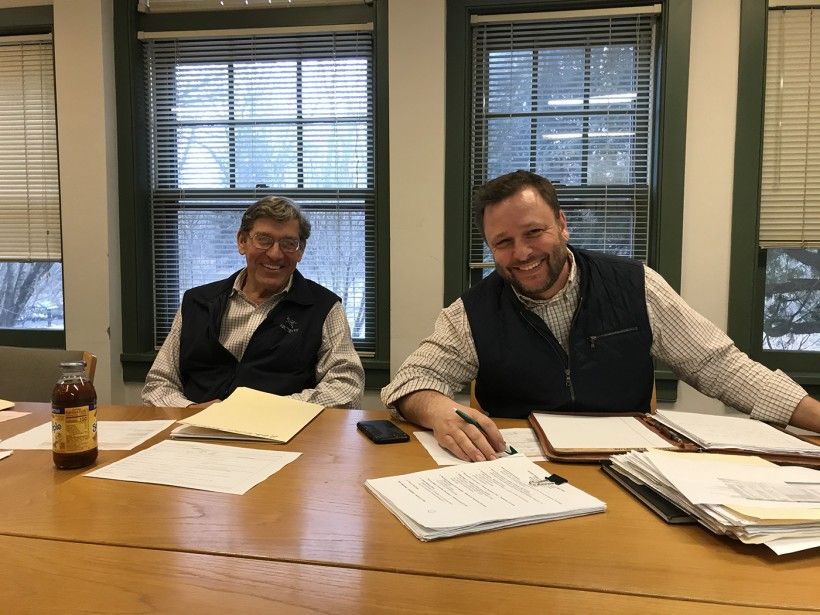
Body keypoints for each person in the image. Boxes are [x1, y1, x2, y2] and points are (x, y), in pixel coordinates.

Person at [381, 170, 820, 462]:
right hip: (518, 478)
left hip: (631, 469)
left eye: (534, 232)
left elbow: (719, 365)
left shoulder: (635, 284)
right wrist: (440, 412)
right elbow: (409, 382)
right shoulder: (472, 312)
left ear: (562, 225)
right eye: (503, 242)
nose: (522, 254)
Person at [143, 196, 364, 409]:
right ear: (242, 241)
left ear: (301, 251)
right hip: (196, 435)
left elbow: (346, 388)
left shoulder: (324, 308)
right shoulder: (196, 302)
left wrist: (265, 409)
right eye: (264, 240)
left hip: (284, 435)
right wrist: (192, 409)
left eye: (289, 243)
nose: (276, 254)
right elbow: (158, 385)